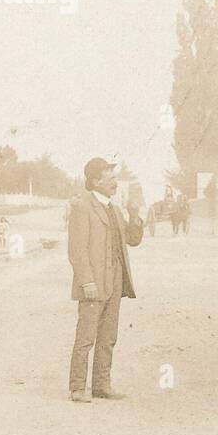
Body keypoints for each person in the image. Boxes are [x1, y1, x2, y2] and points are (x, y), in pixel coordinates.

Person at [67, 157, 144, 402]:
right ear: (95, 181)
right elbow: (77, 251)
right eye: (110, 178)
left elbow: (133, 240)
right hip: (93, 283)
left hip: (115, 282)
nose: (115, 183)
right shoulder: (82, 207)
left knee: (108, 337)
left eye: (115, 178)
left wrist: (134, 215)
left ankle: (101, 385)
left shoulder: (115, 209)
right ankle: (78, 388)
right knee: (86, 337)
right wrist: (87, 282)